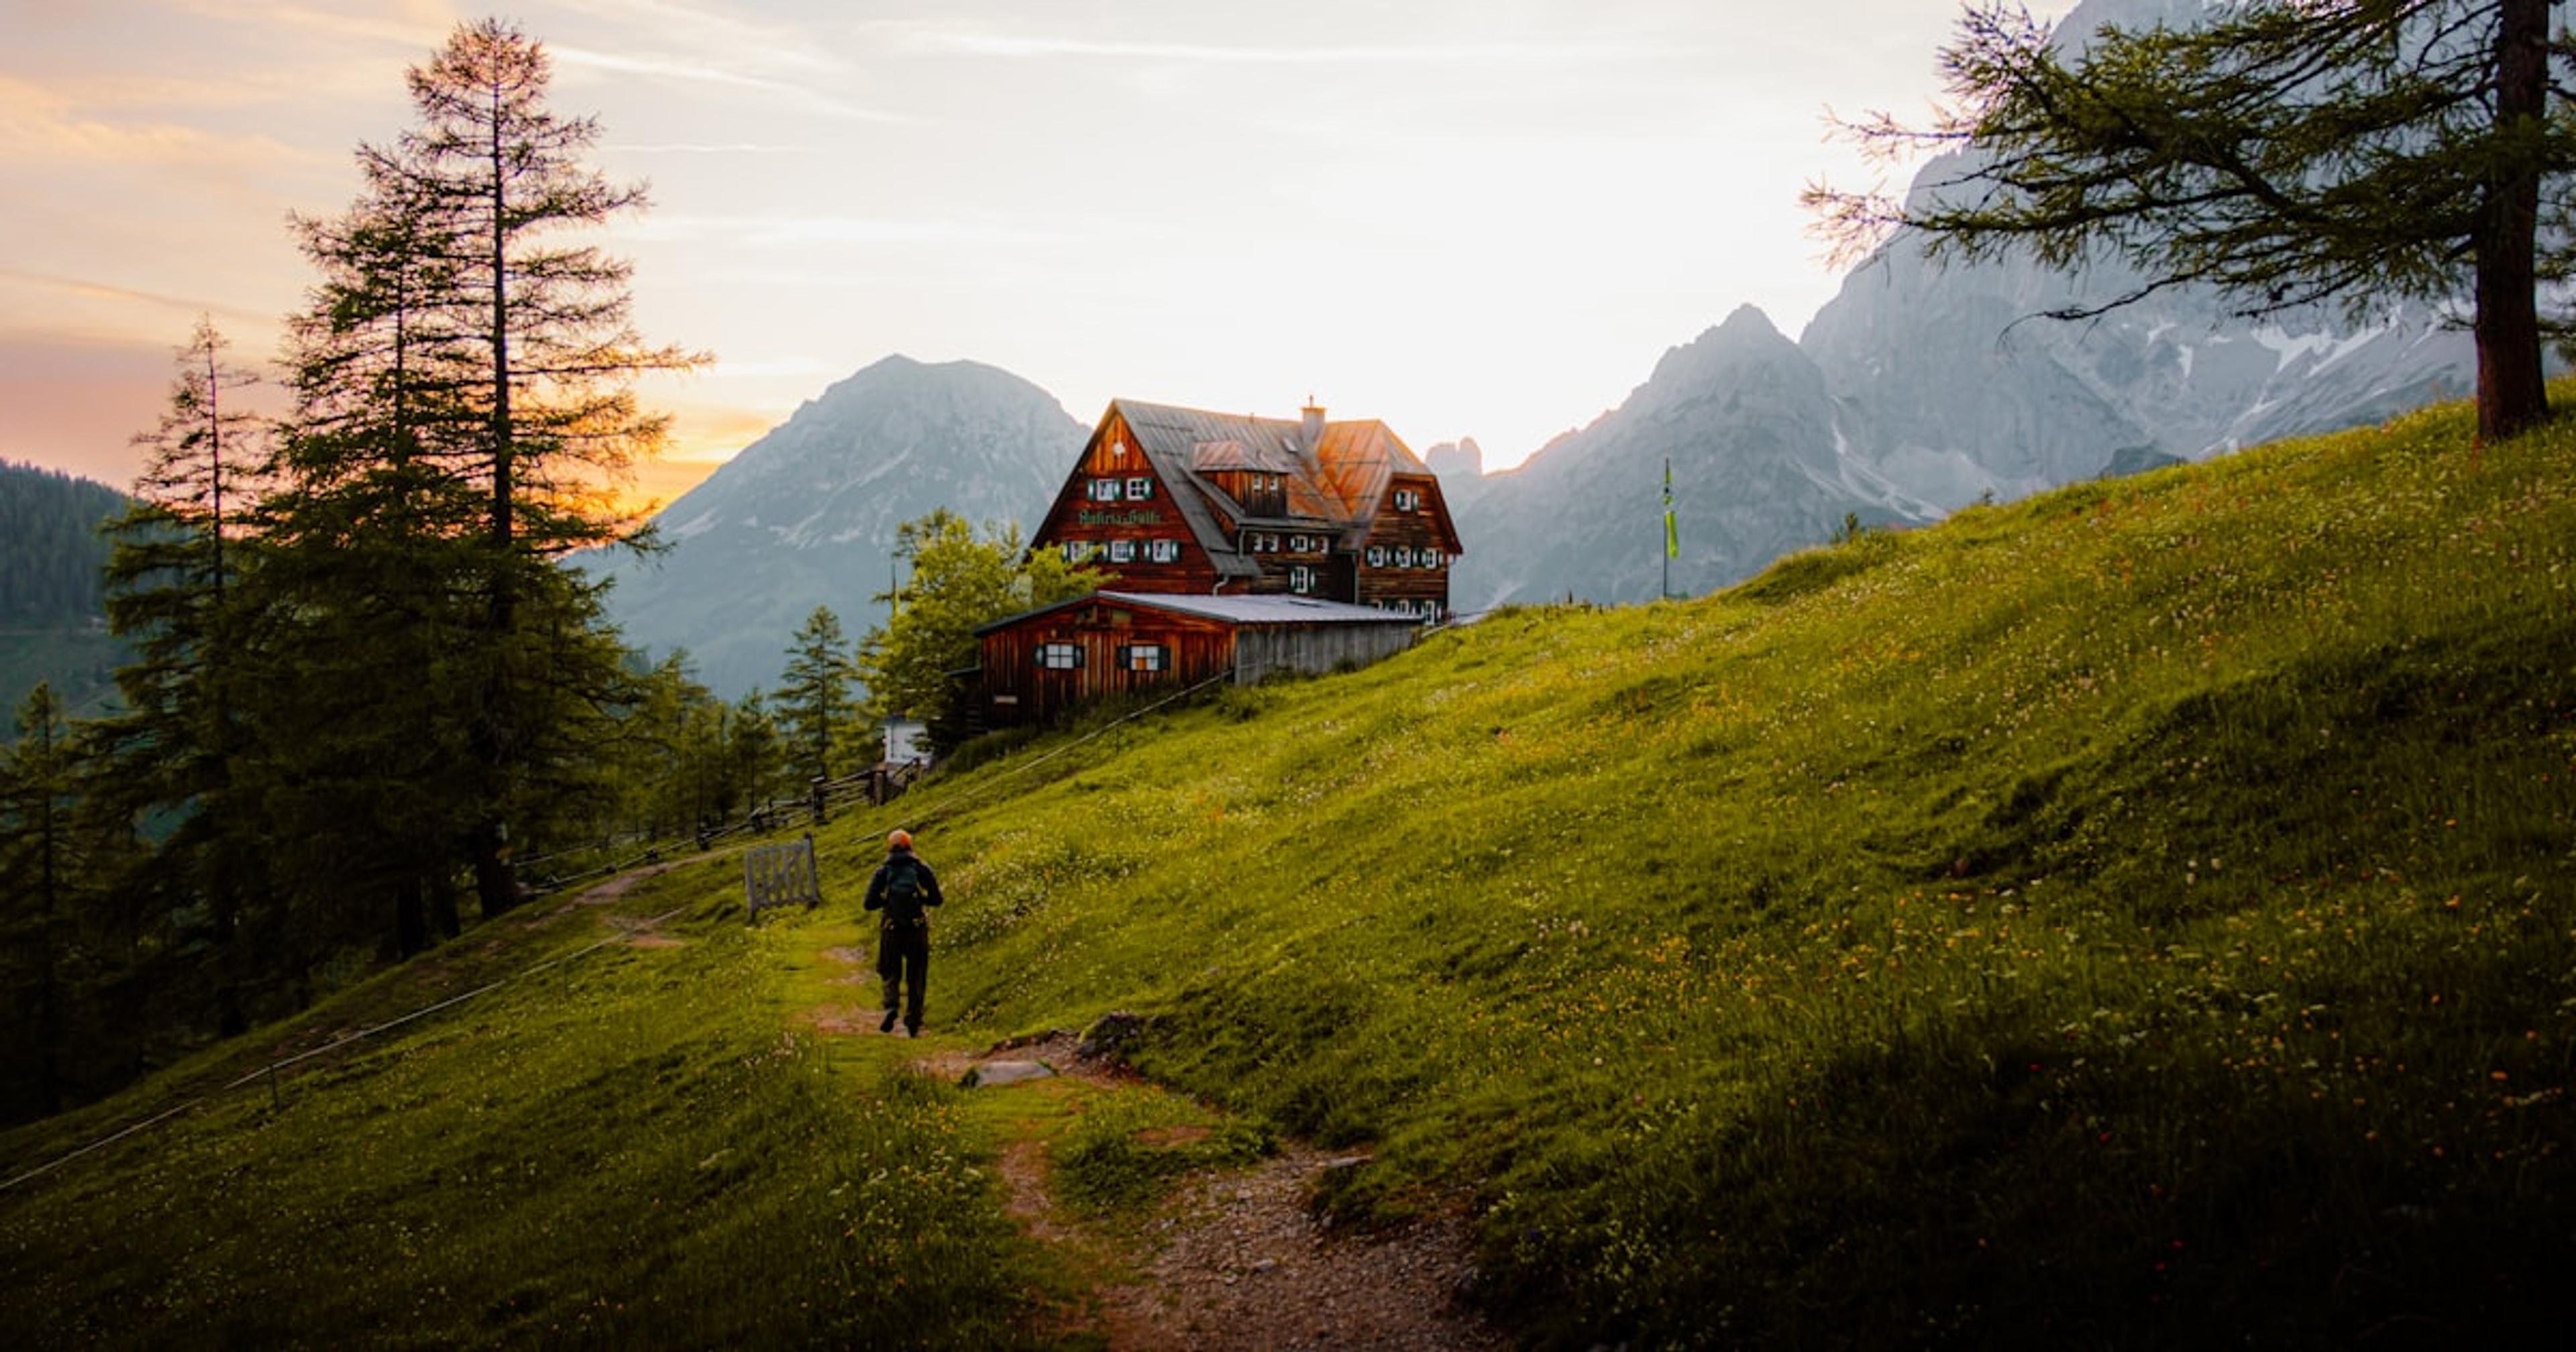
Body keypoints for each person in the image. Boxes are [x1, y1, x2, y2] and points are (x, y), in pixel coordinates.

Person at [864, 828, 943, 1036]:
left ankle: (891, 1007)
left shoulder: (883, 871)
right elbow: (937, 899)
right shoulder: (920, 869)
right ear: (910, 845)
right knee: (917, 974)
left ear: (890, 847)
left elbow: (869, 903)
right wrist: (921, 899)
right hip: (916, 928)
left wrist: (887, 902)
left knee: (890, 970)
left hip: (891, 928)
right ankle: (913, 1020)